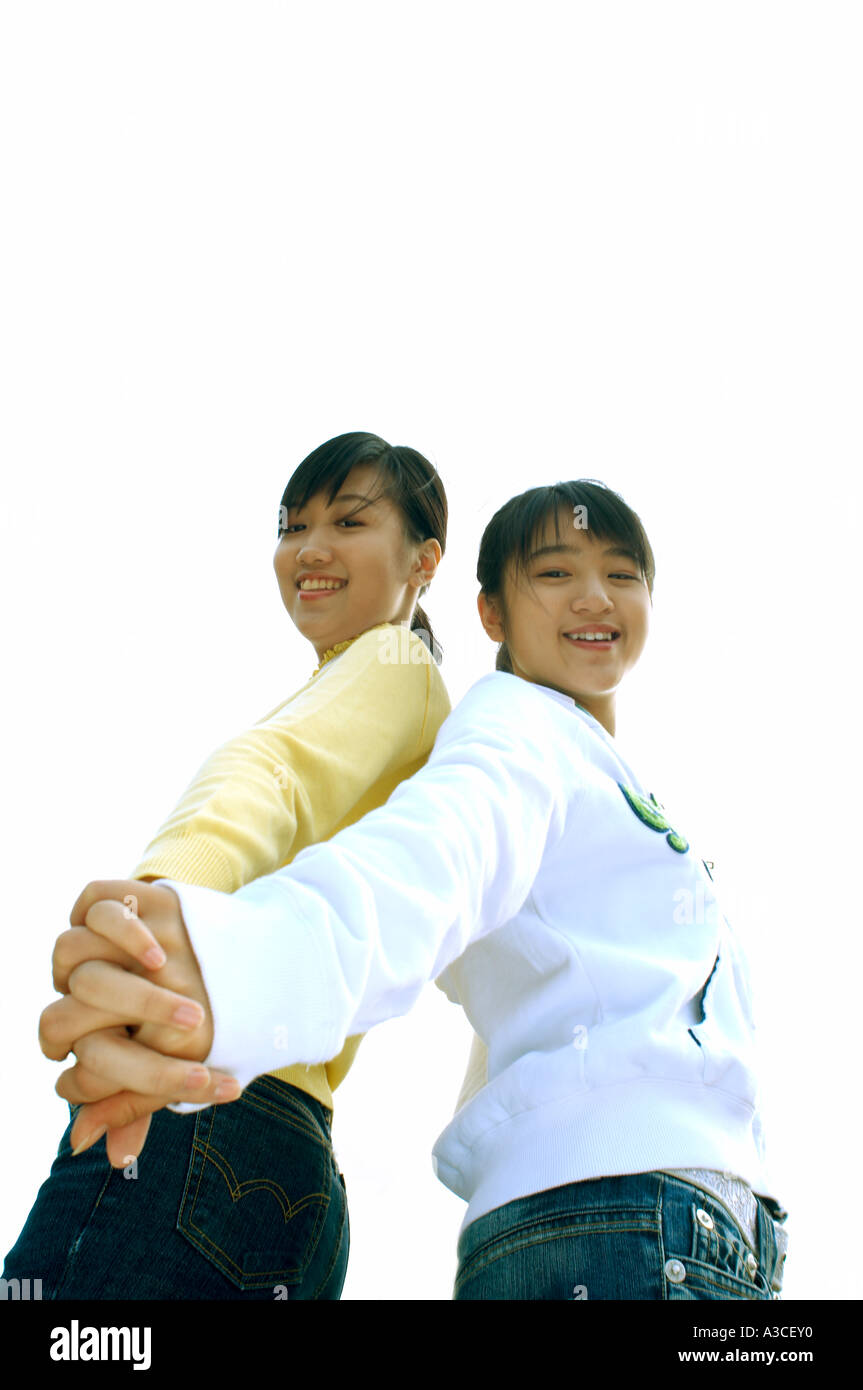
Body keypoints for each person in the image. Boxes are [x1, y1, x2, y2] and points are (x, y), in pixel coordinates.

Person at [34, 478, 788, 1301]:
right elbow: (429, 854)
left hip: (630, 1227)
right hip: (631, 1229)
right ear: (490, 614)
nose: (593, 597)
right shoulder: (512, 724)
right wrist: (220, 960)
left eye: (621, 573)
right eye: (554, 573)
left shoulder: (586, 767)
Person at [2, 430, 450, 1300]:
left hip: (209, 1130)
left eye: (348, 522)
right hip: (284, 1169)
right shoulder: (384, 701)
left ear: (423, 561)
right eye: (291, 525)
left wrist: (156, 915)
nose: (309, 548)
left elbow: (269, 773)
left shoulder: (392, 664)